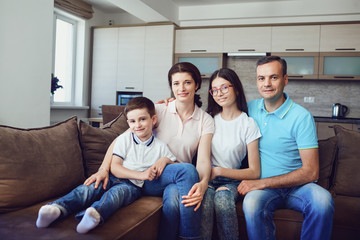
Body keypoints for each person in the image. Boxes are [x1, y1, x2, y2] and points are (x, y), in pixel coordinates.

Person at [84, 62, 214, 240]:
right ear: (171, 87)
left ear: (197, 84)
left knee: (174, 202)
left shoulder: (205, 120)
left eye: (187, 82)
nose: (181, 88)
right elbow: (120, 140)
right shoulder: (159, 110)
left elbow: (204, 161)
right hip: (147, 176)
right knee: (187, 169)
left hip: (178, 181)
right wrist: (103, 169)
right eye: (176, 83)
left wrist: (203, 183)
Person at [36, 97, 177, 234]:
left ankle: (94, 214)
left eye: (142, 119)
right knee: (88, 190)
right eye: (133, 121)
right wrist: (142, 175)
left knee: (115, 196)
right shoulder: (124, 139)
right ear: (128, 123)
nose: (138, 125)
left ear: (153, 120)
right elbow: (115, 167)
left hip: (133, 186)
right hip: (111, 177)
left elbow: (178, 164)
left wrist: (165, 160)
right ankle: (56, 208)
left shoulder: (160, 147)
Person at [238, 56, 335, 240]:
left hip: (298, 188)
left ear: (285, 79)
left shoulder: (301, 117)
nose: (267, 83)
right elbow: (219, 112)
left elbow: (311, 172)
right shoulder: (248, 110)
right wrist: (170, 104)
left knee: (323, 201)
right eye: (261, 78)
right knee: (251, 203)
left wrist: (262, 182)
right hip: (264, 191)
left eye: (273, 77)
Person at [200, 68, 261, 240]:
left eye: (224, 87)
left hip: (233, 181)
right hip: (207, 179)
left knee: (222, 197)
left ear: (236, 89)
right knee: (205, 199)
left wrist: (219, 170)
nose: (219, 93)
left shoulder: (248, 124)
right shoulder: (208, 119)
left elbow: (254, 172)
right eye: (215, 90)